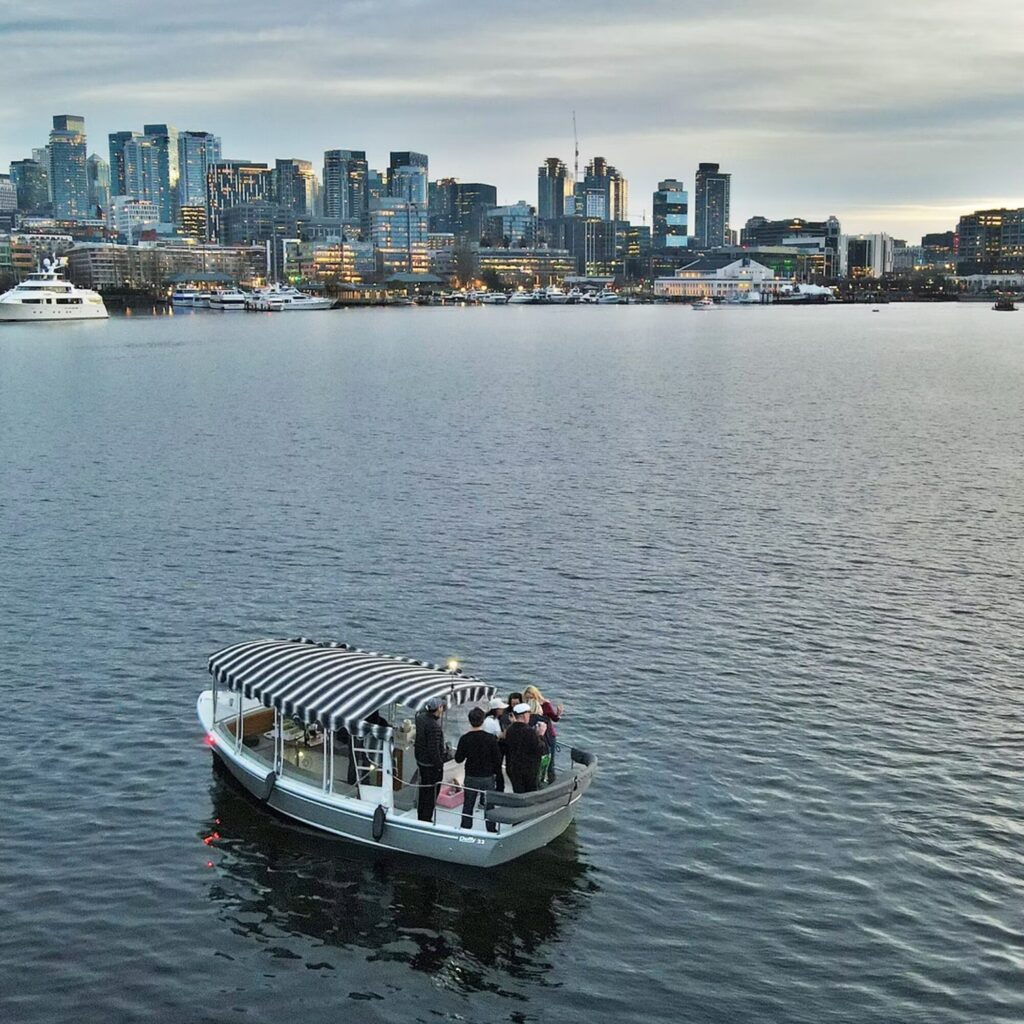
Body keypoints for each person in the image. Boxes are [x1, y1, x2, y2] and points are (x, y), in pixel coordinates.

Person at [454, 707, 503, 832]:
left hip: (471, 775)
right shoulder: (491, 739)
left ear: (470, 721)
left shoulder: (465, 739)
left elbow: (458, 758)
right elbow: (497, 760)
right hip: (487, 776)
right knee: (489, 805)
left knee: (468, 804)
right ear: (483, 720)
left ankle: (465, 828)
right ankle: (491, 829)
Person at [414, 697, 447, 822]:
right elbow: (433, 750)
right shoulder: (434, 726)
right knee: (432, 792)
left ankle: (420, 814)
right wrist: (440, 765)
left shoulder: (420, 718)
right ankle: (426, 818)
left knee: (424, 789)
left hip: (421, 760)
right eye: (442, 707)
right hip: (430, 765)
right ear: (438, 708)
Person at [503, 702, 547, 793]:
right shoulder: (529, 732)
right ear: (524, 715)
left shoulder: (510, 730)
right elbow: (540, 750)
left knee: (518, 792)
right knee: (530, 793)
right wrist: (541, 735)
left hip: (513, 768)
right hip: (528, 770)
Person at [524, 684, 562, 784]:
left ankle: (551, 782)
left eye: (531, 697)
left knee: (550, 761)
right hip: (535, 735)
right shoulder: (526, 706)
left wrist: (558, 714)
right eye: (527, 698)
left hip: (549, 735)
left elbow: (554, 718)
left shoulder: (545, 705)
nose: (529, 699)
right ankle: (538, 781)